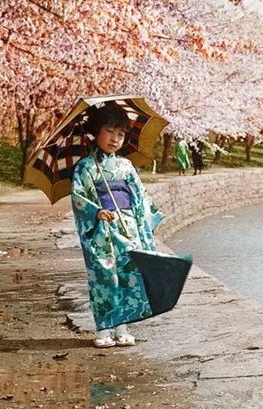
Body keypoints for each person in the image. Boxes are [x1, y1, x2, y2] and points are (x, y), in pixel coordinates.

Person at [71, 105, 163, 348]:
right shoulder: (85, 167)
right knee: (103, 277)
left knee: (127, 275)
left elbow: (140, 198)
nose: (115, 139)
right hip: (101, 231)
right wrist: (96, 211)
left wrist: (142, 221)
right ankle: (104, 327)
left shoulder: (126, 166)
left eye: (120, 134)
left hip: (127, 227)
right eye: (109, 131)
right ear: (95, 132)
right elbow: (79, 199)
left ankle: (123, 326)